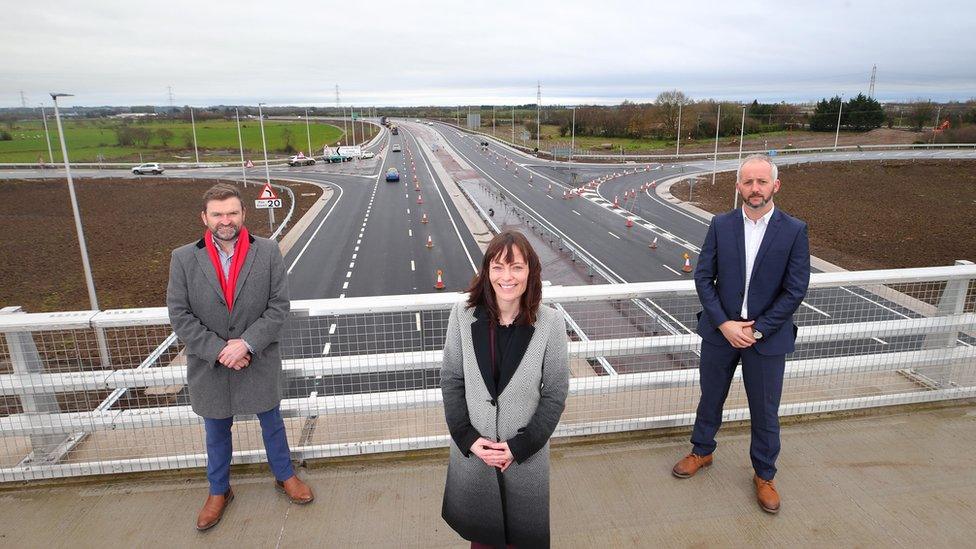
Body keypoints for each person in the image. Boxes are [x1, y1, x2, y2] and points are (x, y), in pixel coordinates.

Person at [167, 183, 314, 531]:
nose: (225, 220)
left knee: (272, 423)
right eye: (217, 214)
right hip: (210, 362)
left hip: (257, 356)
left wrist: (245, 344)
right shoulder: (184, 258)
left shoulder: (268, 251)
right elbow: (180, 314)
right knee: (216, 430)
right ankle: (219, 491)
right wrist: (220, 350)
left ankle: (284, 476)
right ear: (205, 217)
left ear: (243, 214)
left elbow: (279, 307)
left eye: (232, 212)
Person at [672, 154, 810, 514]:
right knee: (710, 397)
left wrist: (758, 330)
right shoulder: (721, 224)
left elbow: (795, 290)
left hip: (766, 338)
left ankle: (764, 475)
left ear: (775, 185)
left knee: (765, 410)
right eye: (747, 182)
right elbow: (703, 277)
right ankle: (702, 452)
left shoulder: (794, 230)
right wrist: (725, 324)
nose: (754, 188)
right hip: (721, 333)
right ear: (738, 186)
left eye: (761, 181)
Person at [440, 230, 570, 548]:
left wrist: (520, 447)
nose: (506, 277)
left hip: (524, 460)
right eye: (497, 267)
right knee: (481, 540)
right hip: (477, 458)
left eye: (516, 267)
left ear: (531, 272)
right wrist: (468, 439)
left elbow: (555, 392)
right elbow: (451, 379)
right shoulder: (462, 315)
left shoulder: (551, 324)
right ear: (487, 272)